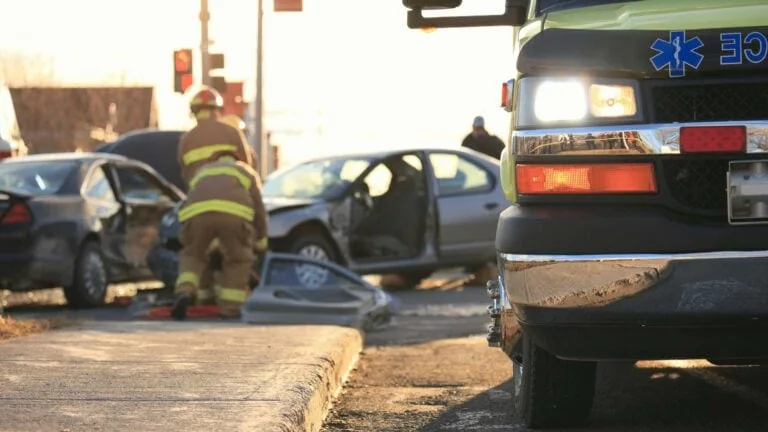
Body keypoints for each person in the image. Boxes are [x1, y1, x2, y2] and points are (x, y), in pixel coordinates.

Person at [172, 153, 269, 320]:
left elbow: (190, 198)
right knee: (238, 260)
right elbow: (258, 209)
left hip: (196, 215)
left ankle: (186, 292)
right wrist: (261, 241)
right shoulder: (245, 170)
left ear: (215, 160)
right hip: (233, 216)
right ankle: (230, 308)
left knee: (193, 255)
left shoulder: (202, 171)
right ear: (236, 158)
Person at [177, 86, 257, 185]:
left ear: (193, 112)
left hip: (199, 197)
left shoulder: (186, 140)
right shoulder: (232, 133)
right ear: (218, 110)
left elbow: (185, 174)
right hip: (232, 195)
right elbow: (248, 168)